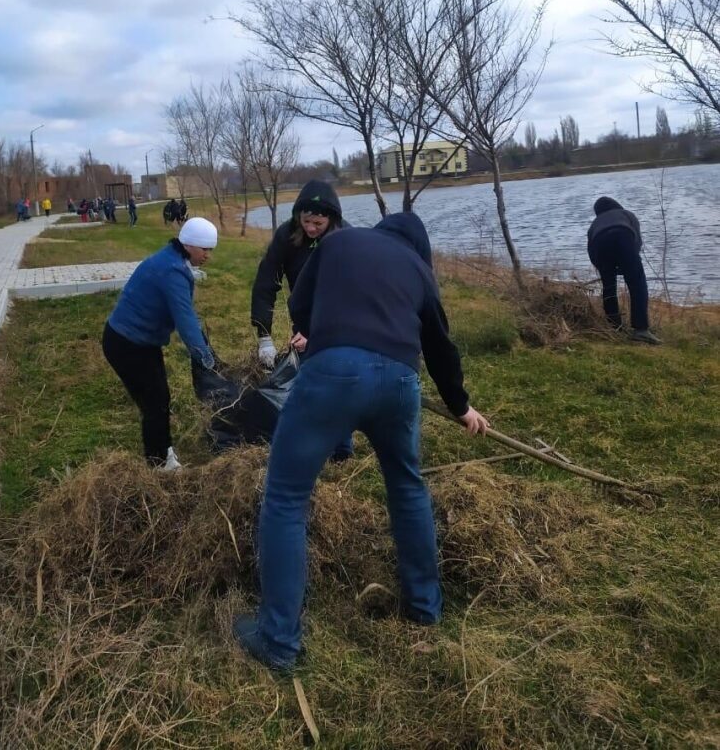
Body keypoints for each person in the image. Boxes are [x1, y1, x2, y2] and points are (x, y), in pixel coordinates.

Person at [233, 212, 488, 672]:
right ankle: (425, 609)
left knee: (287, 497)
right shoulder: (419, 270)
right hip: (400, 382)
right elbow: (440, 346)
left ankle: (278, 641)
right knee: (408, 487)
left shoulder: (338, 243)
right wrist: (460, 406)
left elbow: (301, 302)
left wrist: (321, 331)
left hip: (332, 375)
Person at [102, 217, 219, 470]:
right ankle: (159, 465)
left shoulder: (171, 260)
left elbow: (186, 312)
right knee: (155, 402)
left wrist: (202, 345)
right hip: (128, 344)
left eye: (211, 250)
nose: (208, 255)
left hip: (135, 341)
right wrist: (205, 357)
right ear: (188, 245)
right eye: (205, 249)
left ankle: (162, 455)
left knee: (156, 400)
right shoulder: (172, 271)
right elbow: (185, 320)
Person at [251, 181, 348, 368]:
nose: (311, 228)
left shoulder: (346, 237)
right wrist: (264, 336)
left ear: (332, 220)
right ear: (298, 216)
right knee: (306, 371)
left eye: (318, 223)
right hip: (302, 314)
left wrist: (315, 333)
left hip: (339, 320)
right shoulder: (286, 236)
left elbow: (353, 294)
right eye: (306, 221)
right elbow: (266, 282)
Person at [587, 196, 661, 344]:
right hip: (623, 237)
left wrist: (604, 269)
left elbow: (591, 251)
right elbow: (637, 242)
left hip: (599, 244)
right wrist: (628, 266)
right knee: (637, 283)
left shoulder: (595, 223)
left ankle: (614, 327)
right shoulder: (627, 214)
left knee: (608, 286)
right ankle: (641, 330)